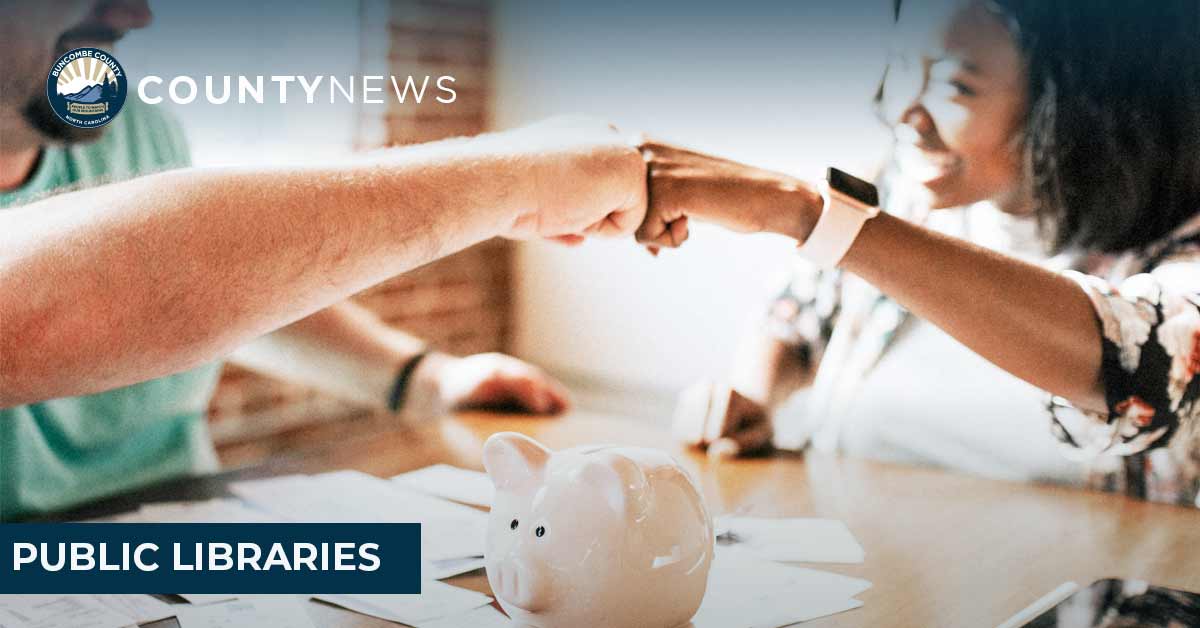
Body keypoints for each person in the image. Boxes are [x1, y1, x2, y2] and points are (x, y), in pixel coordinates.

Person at [0, 1, 645, 520]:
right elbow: (40, 310)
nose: (133, 14)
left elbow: (198, 289)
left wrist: (422, 377)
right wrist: (515, 179)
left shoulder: (129, 119)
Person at [645, 0, 1200, 504]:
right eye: (904, 63)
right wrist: (752, 399)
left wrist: (812, 216)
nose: (904, 108)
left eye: (956, 86)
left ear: (1081, 104)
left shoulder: (1180, 248)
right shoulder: (901, 189)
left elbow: (1139, 371)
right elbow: (796, 313)